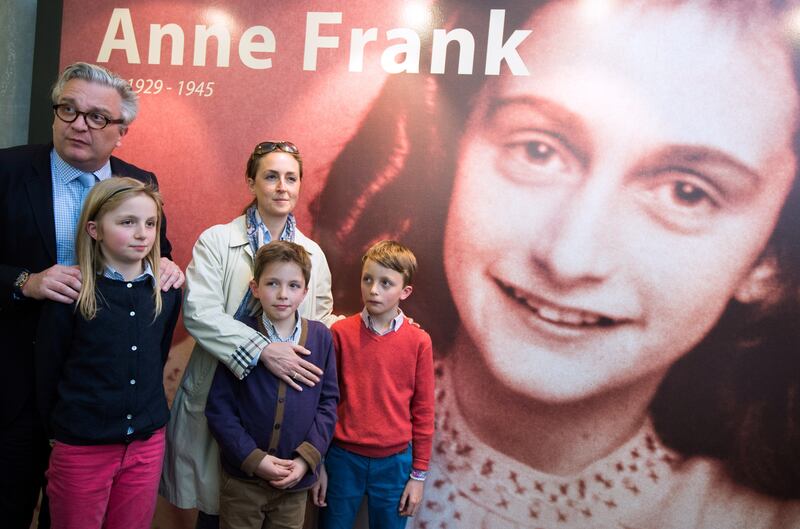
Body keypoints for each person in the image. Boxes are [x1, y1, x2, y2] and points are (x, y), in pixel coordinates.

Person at [314, 1, 800, 527]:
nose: (569, 257)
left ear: (770, 260)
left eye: (687, 192)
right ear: (455, 149)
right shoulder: (285, 413)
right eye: (537, 150)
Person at [0, 61, 184, 529]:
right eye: (68, 109)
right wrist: (24, 282)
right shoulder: (7, 170)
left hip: (97, 401)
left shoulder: (140, 182)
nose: (79, 124)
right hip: (15, 386)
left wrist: (165, 264)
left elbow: (156, 254)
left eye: (97, 117)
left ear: (121, 131)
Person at [160, 140, 340, 528]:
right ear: (251, 182)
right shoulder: (217, 241)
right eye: (271, 176)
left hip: (284, 410)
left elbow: (320, 322)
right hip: (224, 395)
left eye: (291, 178)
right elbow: (199, 311)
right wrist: (262, 350)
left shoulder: (313, 254)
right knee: (217, 510)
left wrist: (381, 321)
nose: (282, 186)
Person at [34, 177, 181, 529]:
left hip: (146, 444)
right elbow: (47, 370)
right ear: (94, 229)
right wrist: (58, 433)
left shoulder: (166, 292)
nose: (142, 234)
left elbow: (156, 357)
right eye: (127, 222)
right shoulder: (71, 294)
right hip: (81, 446)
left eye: (150, 223)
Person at [205, 241, 339, 529]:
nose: (283, 294)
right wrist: (254, 459)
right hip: (242, 482)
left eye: (293, 286)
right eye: (272, 283)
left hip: (294, 482)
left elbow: (328, 404)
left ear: (305, 291)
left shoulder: (321, 338)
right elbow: (219, 408)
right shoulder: (241, 332)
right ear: (255, 288)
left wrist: (306, 459)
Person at [314, 240, 434, 529]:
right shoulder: (340, 333)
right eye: (367, 279)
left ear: (405, 291)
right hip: (342, 459)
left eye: (385, 283)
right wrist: (318, 463)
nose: (373, 289)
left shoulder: (419, 341)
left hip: (394, 463)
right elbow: (323, 401)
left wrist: (418, 477)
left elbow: (424, 411)